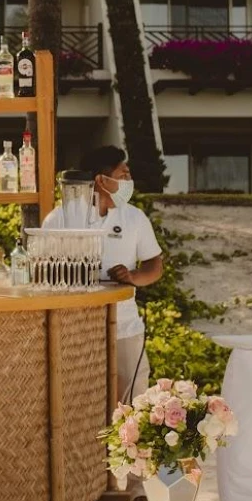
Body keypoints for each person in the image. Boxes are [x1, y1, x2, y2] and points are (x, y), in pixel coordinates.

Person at [43, 144, 162, 403]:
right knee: (81, 401)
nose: (129, 182)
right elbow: (44, 273)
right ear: (101, 180)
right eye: (123, 176)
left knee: (133, 401)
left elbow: (155, 265)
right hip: (76, 329)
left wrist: (133, 277)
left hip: (126, 325)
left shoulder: (134, 217)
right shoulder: (59, 219)